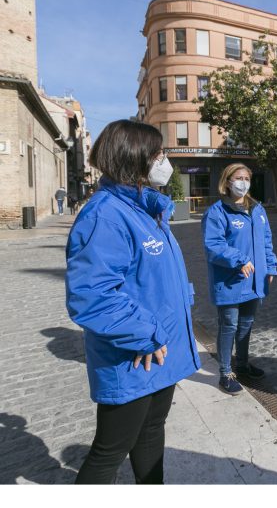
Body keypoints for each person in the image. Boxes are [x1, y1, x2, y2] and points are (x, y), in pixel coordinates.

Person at [65, 120, 200, 484]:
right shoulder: (105, 214)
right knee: (110, 451)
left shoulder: (147, 209)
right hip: (133, 354)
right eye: (158, 154)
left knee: (153, 430)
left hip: (160, 347)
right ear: (134, 158)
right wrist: (144, 335)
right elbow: (92, 296)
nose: (164, 160)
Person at [202, 163, 277, 395]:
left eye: (247, 178)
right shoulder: (216, 212)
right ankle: (226, 372)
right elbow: (213, 245)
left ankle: (243, 364)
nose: (243, 182)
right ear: (227, 181)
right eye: (238, 178)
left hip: (255, 280)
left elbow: (266, 241)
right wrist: (239, 259)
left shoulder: (257, 209)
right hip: (230, 281)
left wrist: (271, 267)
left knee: (246, 324)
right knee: (229, 325)